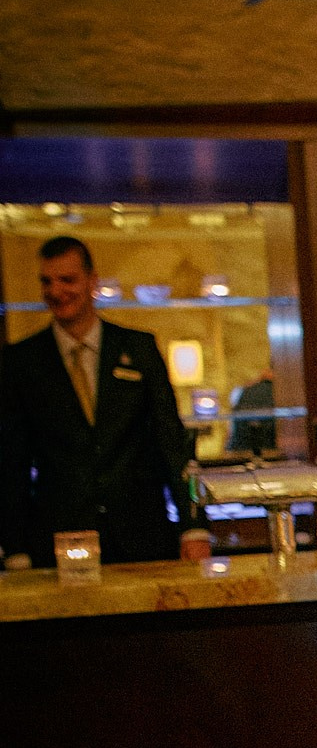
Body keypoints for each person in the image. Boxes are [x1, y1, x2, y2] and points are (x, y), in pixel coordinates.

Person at [0, 235, 193, 569]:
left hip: (143, 537)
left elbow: (171, 444)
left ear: (92, 282)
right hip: (60, 544)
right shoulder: (21, 362)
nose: (56, 291)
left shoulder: (139, 349)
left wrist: (194, 530)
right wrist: (15, 549)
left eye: (67, 280)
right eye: (47, 281)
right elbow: (11, 463)